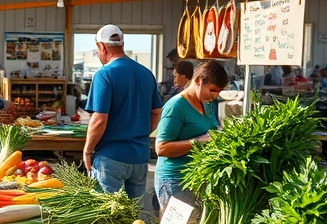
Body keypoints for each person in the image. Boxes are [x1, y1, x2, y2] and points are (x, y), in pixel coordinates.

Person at [83, 24, 163, 199]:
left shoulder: (104, 74)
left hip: (110, 157)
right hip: (140, 157)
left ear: (102, 47)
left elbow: (99, 120)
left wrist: (87, 151)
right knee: (133, 214)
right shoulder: (146, 73)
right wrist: (137, 133)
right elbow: (157, 112)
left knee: (108, 215)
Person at [154, 60, 228, 211]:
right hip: (174, 180)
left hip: (195, 179)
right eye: (212, 90)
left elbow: (211, 128)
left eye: (218, 92)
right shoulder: (176, 106)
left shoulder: (207, 104)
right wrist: (198, 141)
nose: (215, 96)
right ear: (197, 81)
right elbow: (161, 148)